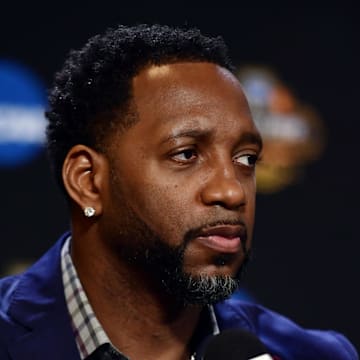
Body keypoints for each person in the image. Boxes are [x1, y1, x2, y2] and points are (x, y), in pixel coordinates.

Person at [0, 24, 357, 360]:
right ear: (88, 181)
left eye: (246, 158)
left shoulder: (313, 354)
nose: (232, 191)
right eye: (186, 154)